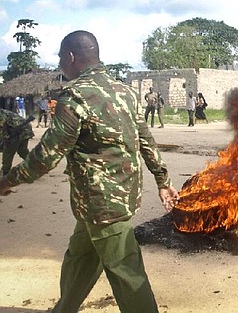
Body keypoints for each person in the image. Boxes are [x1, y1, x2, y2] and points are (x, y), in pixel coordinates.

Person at [0, 30, 179, 313]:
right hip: (108, 199)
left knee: (126, 271)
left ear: (71, 57)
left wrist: (7, 181)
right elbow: (145, 139)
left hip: (102, 203)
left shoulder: (74, 96)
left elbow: (47, 155)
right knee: (80, 257)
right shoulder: (125, 91)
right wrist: (163, 180)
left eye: (60, 57)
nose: (60, 63)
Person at [0, 109, 34, 175]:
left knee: (8, 150)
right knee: (22, 150)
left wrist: (5, 138)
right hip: (24, 128)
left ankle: (5, 171)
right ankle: (35, 165)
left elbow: (3, 126)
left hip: (20, 130)